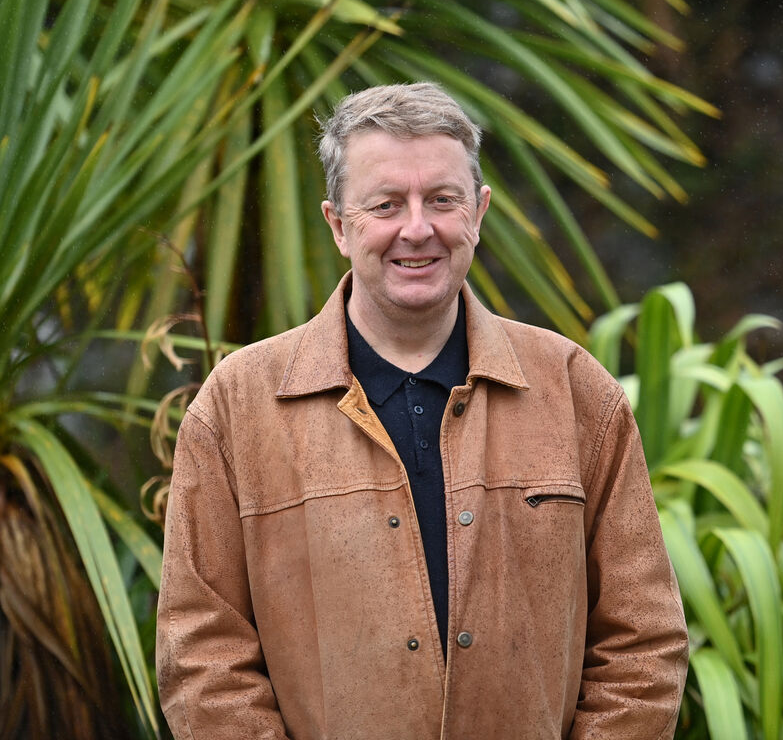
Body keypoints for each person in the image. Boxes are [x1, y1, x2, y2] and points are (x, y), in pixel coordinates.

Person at [155, 82, 689, 740]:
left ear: (479, 213)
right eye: (386, 204)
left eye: (442, 200)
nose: (417, 227)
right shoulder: (237, 407)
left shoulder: (576, 392)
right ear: (339, 225)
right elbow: (203, 660)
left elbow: (644, 645)